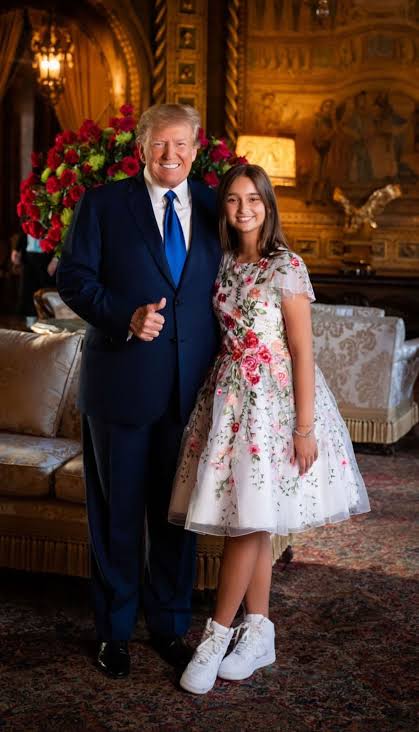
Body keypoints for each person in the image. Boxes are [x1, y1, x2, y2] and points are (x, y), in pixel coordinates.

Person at [169, 164, 370, 695]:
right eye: (233, 200)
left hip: (275, 405)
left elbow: (304, 350)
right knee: (250, 516)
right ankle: (259, 632)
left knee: (250, 522)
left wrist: (304, 428)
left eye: (253, 199)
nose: (243, 210)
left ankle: (215, 634)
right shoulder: (223, 263)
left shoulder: (288, 266)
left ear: (267, 204)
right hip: (230, 398)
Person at [56, 104, 221, 678]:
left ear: (196, 148)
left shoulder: (213, 205)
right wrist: (123, 317)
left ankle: (171, 627)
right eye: (159, 145)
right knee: (117, 517)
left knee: (177, 518)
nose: (170, 155)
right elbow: (73, 278)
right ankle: (115, 633)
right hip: (120, 388)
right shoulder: (103, 204)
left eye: (181, 145)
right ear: (142, 147)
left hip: (191, 390)